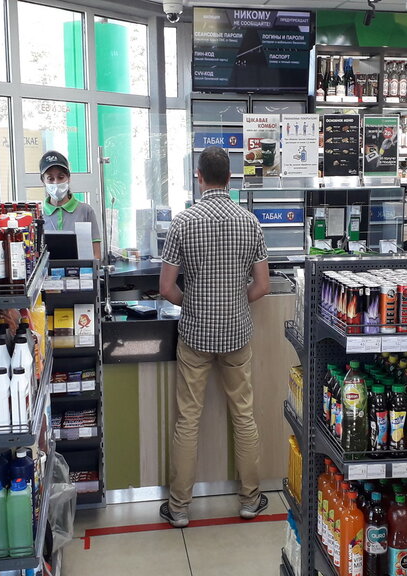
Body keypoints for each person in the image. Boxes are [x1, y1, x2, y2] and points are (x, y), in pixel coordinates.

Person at [157, 147, 271, 528]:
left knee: (187, 420)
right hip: (237, 334)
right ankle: (250, 500)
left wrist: (192, 303)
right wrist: (235, 300)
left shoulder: (182, 223)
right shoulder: (250, 222)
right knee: (244, 416)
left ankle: (179, 508)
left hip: (195, 335)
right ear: (230, 178)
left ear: (199, 177)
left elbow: (166, 287)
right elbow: (263, 285)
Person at [39, 150, 102, 260]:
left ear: (68, 178)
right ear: (43, 181)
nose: (56, 183)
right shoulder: (38, 214)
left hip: (81, 270)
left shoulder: (86, 211)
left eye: (61, 177)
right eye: (50, 178)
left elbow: (96, 255)